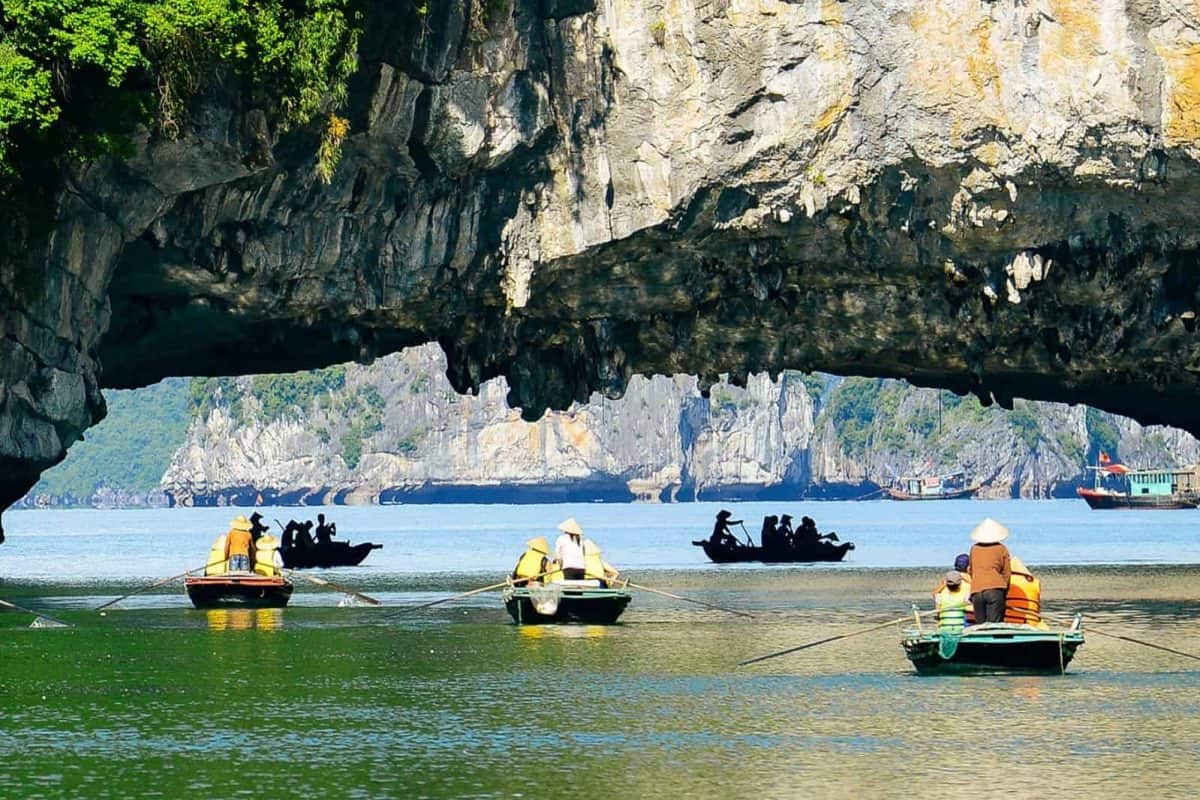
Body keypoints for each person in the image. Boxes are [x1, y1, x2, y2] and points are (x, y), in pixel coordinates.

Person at [967, 518, 1012, 624]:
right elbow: (1006, 572)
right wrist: (1005, 591)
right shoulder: (1001, 548)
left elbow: (971, 570)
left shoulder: (974, 548)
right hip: (995, 589)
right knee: (994, 625)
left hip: (976, 591)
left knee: (980, 625)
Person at [1004, 556, 1045, 627]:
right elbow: (1037, 607)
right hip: (1031, 622)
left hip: (1008, 621)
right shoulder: (1034, 582)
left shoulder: (1004, 581)